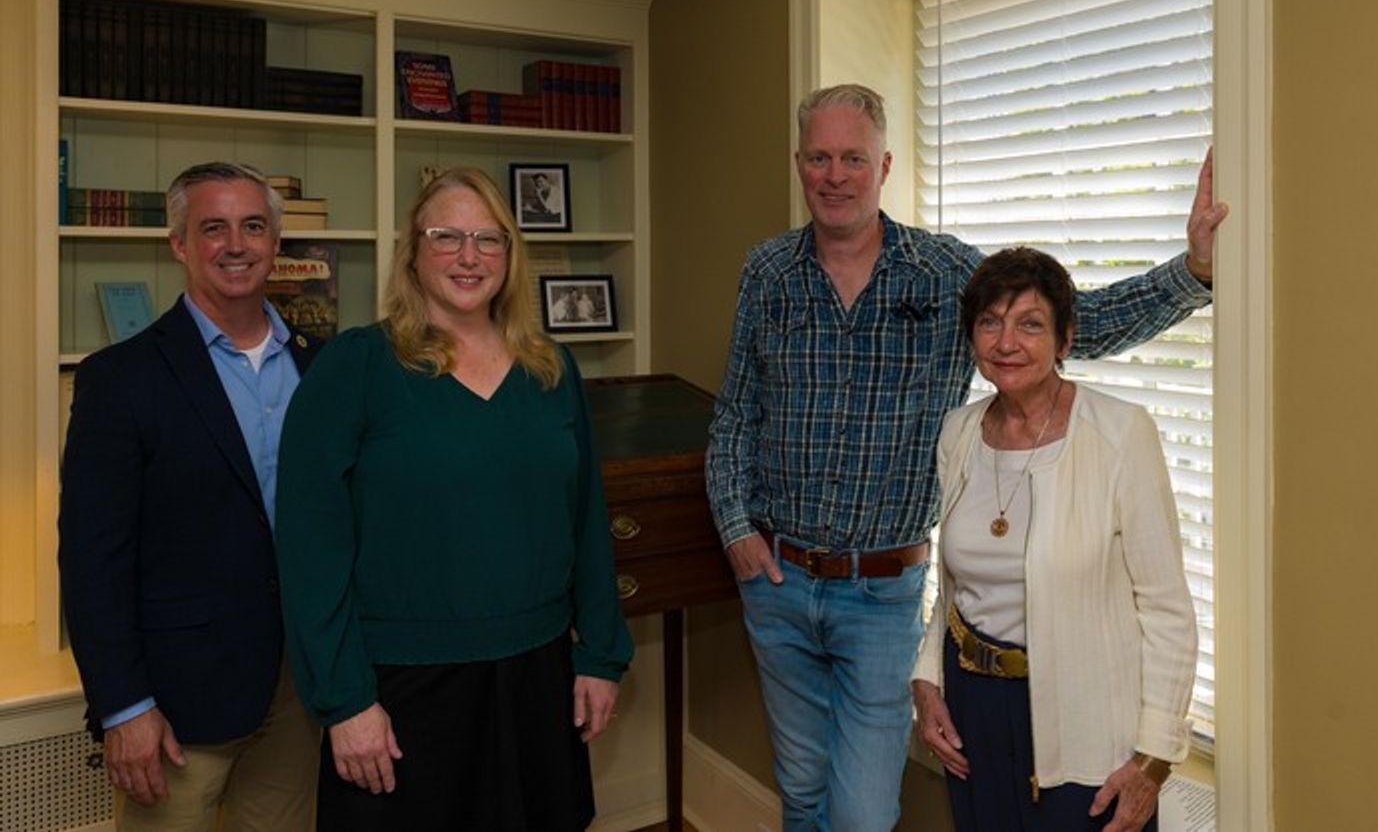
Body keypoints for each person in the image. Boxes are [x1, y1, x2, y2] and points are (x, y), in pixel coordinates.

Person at [705, 83, 1226, 831]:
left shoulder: (942, 270)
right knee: (800, 787)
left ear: (884, 166)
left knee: (857, 813)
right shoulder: (768, 273)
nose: (835, 173)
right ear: (799, 164)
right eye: (819, 157)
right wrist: (737, 532)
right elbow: (735, 414)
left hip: (882, 594)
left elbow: (1066, 321)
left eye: (854, 156)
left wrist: (1193, 273)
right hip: (778, 582)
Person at [275, 167, 633, 830]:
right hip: (402, 691)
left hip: (537, 676)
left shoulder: (551, 370)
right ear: (412, 251)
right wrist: (345, 701)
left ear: (510, 254)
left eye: (488, 239)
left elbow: (585, 520)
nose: (469, 256)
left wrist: (601, 656)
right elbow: (309, 546)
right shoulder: (356, 368)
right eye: (447, 237)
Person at [58, 161, 322, 830]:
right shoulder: (120, 379)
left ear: (275, 242)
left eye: (253, 226)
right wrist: (123, 707)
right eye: (213, 228)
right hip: (179, 703)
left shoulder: (322, 365)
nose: (236, 244)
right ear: (179, 244)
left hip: (301, 689)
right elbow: (93, 560)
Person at [912, 248, 1198, 832]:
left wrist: (1153, 757)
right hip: (975, 710)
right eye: (990, 322)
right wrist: (926, 681)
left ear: (1066, 339)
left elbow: (1167, 609)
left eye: (1030, 324)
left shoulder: (1120, 434)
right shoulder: (959, 431)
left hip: (1089, 715)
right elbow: (954, 589)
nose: (1006, 342)